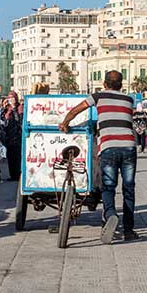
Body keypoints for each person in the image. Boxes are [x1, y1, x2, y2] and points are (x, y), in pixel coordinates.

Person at [60, 70, 138, 244]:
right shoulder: (129, 99)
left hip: (109, 147)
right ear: (121, 85)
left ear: (104, 84)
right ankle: (128, 231)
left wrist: (65, 123)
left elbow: (76, 110)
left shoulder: (98, 96)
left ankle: (110, 215)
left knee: (108, 187)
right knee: (129, 189)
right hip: (129, 146)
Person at [1, 91, 23, 181]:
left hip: (17, 135)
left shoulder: (20, 107)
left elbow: (19, 120)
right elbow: (3, 119)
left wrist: (14, 108)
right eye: (9, 98)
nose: (11, 100)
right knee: (10, 157)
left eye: (12, 98)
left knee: (17, 156)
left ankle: (18, 175)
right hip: (9, 136)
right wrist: (4, 108)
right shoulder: (8, 108)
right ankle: (12, 175)